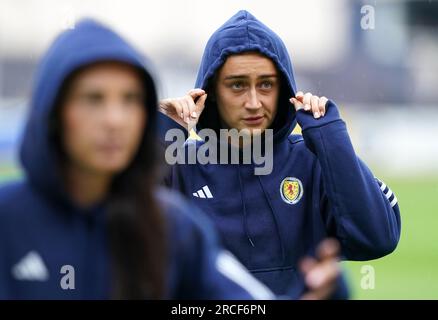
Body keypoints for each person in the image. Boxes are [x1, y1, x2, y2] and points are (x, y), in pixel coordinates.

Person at [0, 19, 340, 300]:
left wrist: (318, 291)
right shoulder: (8, 218)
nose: (115, 119)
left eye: (131, 100)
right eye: (93, 99)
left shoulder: (171, 225)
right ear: (52, 111)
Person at [158, 10, 402, 298]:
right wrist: (159, 133)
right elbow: (113, 234)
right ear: (210, 92)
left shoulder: (313, 159)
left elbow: (376, 239)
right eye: (237, 85)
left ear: (283, 88)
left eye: (266, 84)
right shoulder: (178, 165)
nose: (253, 102)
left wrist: (330, 138)